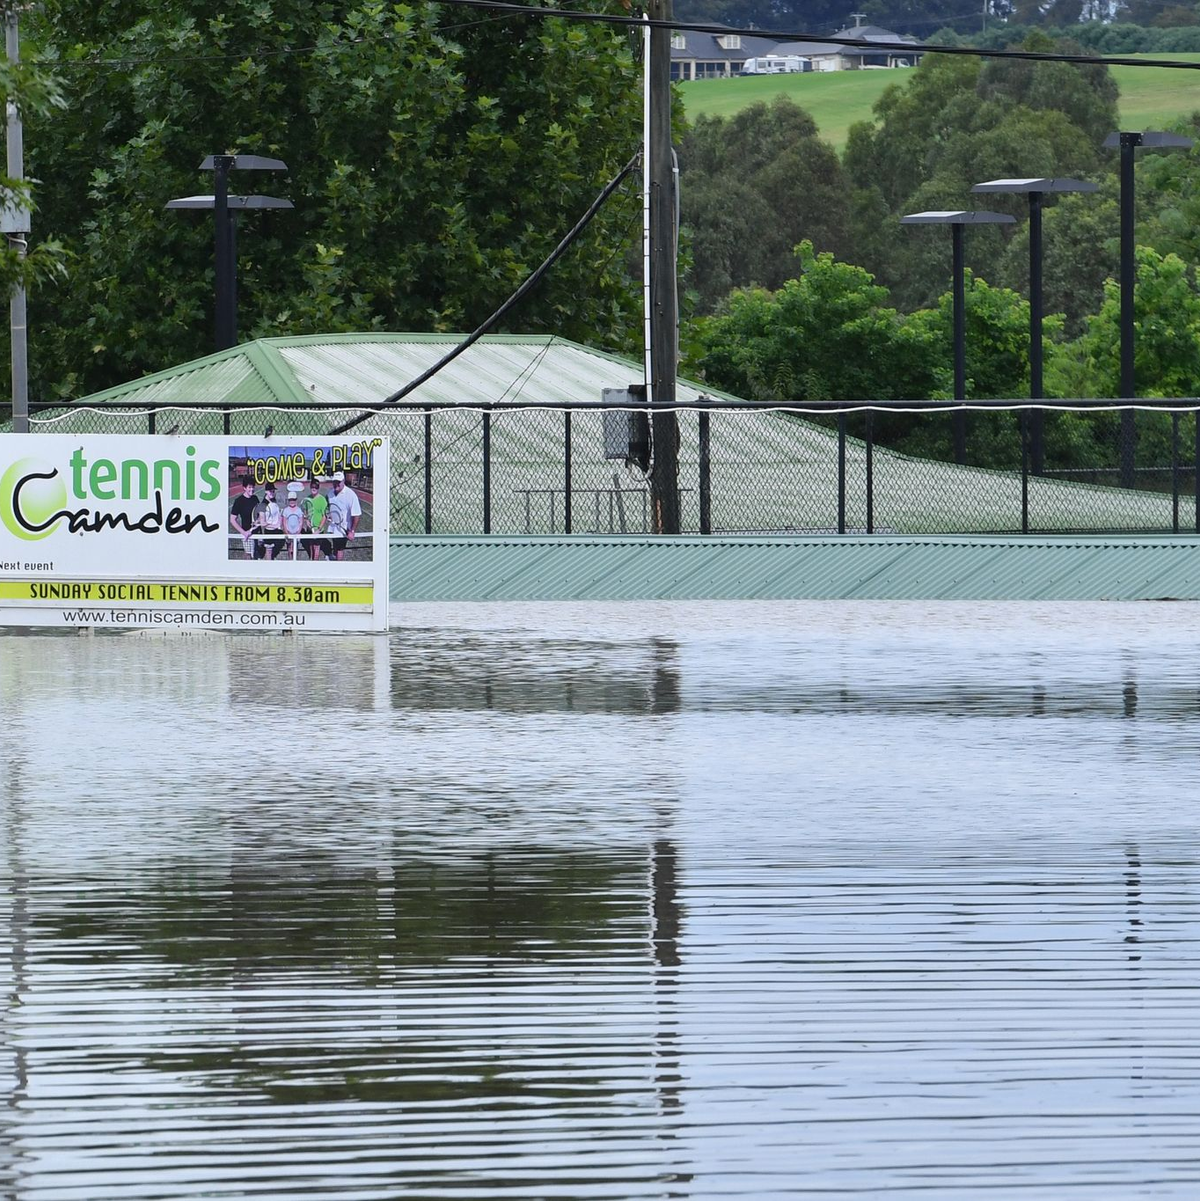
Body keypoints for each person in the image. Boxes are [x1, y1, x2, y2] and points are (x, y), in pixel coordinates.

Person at [326, 471, 362, 561]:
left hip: (344, 529)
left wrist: (352, 531)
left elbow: (356, 514)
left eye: (338, 482)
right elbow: (328, 507)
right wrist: (329, 514)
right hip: (333, 527)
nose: (336, 484)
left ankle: (338, 570)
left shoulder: (351, 495)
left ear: (343, 481)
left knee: (340, 549)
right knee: (335, 546)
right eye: (334, 482)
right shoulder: (330, 494)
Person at [301, 478, 329, 561]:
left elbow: (325, 516)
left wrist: (319, 529)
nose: (314, 488)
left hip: (318, 530)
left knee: (317, 547)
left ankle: (315, 563)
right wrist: (306, 521)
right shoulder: (307, 499)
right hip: (310, 529)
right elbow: (306, 512)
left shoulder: (322, 500)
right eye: (312, 486)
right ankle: (311, 560)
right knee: (311, 546)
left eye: (316, 487)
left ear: (318, 488)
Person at [230, 478, 258, 559]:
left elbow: (259, 514)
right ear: (244, 488)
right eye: (249, 487)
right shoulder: (239, 501)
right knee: (248, 556)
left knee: (256, 555)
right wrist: (244, 532)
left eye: (253, 487)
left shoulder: (255, 498)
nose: (252, 489)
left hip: (257, 532)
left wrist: (258, 522)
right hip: (247, 534)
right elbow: (232, 519)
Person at [255, 483, 283, 561]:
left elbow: (277, 515)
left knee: (274, 552)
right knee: (269, 552)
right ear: (266, 492)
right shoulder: (262, 505)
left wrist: (279, 522)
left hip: (276, 531)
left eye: (273, 491)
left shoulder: (274, 502)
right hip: (268, 532)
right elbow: (263, 523)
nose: (272, 493)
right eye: (270, 491)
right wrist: (275, 525)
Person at [281, 491, 305, 559]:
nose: (292, 501)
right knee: (290, 549)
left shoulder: (299, 510)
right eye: (291, 500)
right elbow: (284, 522)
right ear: (288, 500)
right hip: (288, 533)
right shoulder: (286, 510)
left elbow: (301, 522)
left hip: (296, 534)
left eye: (293, 500)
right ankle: (290, 561)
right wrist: (286, 532)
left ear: (296, 500)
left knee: (295, 549)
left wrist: (298, 531)